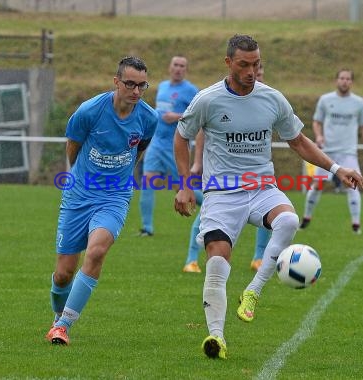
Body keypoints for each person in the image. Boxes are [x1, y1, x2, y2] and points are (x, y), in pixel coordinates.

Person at [173, 34, 363, 359]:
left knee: (289, 220)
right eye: (244, 64)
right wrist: (185, 185)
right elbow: (181, 138)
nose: (251, 70)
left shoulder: (272, 99)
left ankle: (253, 292)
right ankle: (216, 337)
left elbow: (299, 142)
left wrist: (336, 169)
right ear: (228, 62)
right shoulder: (208, 100)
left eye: (256, 64)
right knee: (217, 261)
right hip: (221, 192)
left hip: (261, 187)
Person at [45, 56, 158, 345]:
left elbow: (138, 151)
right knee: (63, 274)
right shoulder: (89, 111)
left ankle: (64, 326)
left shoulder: (148, 118)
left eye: (141, 86)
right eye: (130, 84)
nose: (135, 91)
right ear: (116, 82)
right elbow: (73, 149)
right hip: (79, 194)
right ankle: (57, 316)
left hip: (114, 197)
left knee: (96, 253)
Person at [181, 63, 271, 273]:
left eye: (260, 74)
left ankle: (258, 258)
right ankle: (191, 259)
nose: (255, 76)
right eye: (253, 73)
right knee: (207, 212)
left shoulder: (266, 100)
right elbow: (203, 130)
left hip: (254, 173)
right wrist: (197, 162)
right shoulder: (221, 99)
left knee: (270, 213)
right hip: (222, 172)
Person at [299, 69, 363, 234]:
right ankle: (306, 217)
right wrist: (318, 136)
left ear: (351, 82)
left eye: (348, 79)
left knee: (353, 184)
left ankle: (356, 223)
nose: (344, 81)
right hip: (327, 152)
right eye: (342, 78)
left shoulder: (359, 102)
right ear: (336, 80)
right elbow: (317, 122)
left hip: (348, 152)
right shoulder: (326, 100)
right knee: (318, 185)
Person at [138, 55, 199, 237]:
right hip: (156, 143)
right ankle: (147, 228)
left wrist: (177, 116)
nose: (179, 68)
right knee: (147, 182)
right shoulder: (163, 87)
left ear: (185, 70)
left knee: (181, 187)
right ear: (170, 67)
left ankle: (211, 204)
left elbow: (199, 116)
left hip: (176, 146)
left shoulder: (191, 91)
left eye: (182, 65)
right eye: (176, 65)